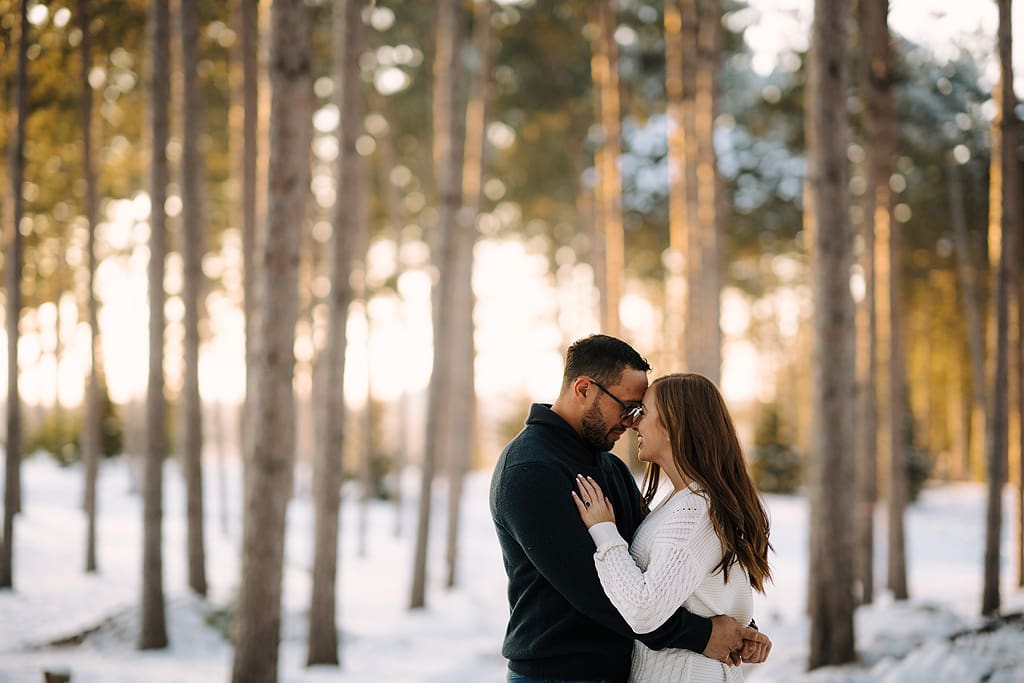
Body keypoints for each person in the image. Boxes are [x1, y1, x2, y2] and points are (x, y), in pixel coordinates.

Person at [490, 335, 768, 683]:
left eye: (641, 411)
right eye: (627, 406)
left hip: (620, 670)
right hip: (560, 673)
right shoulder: (530, 471)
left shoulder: (611, 468)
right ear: (583, 390)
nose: (632, 421)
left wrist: (734, 625)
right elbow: (596, 593)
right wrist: (705, 635)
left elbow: (661, 571)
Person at [572, 373, 773, 682]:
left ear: (672, 426)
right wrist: (743, 634)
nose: (634, 424)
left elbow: (644, 612)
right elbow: (698, 592)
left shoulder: (694, 510)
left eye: (643, 413)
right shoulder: (686, 500)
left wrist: (604, 532)